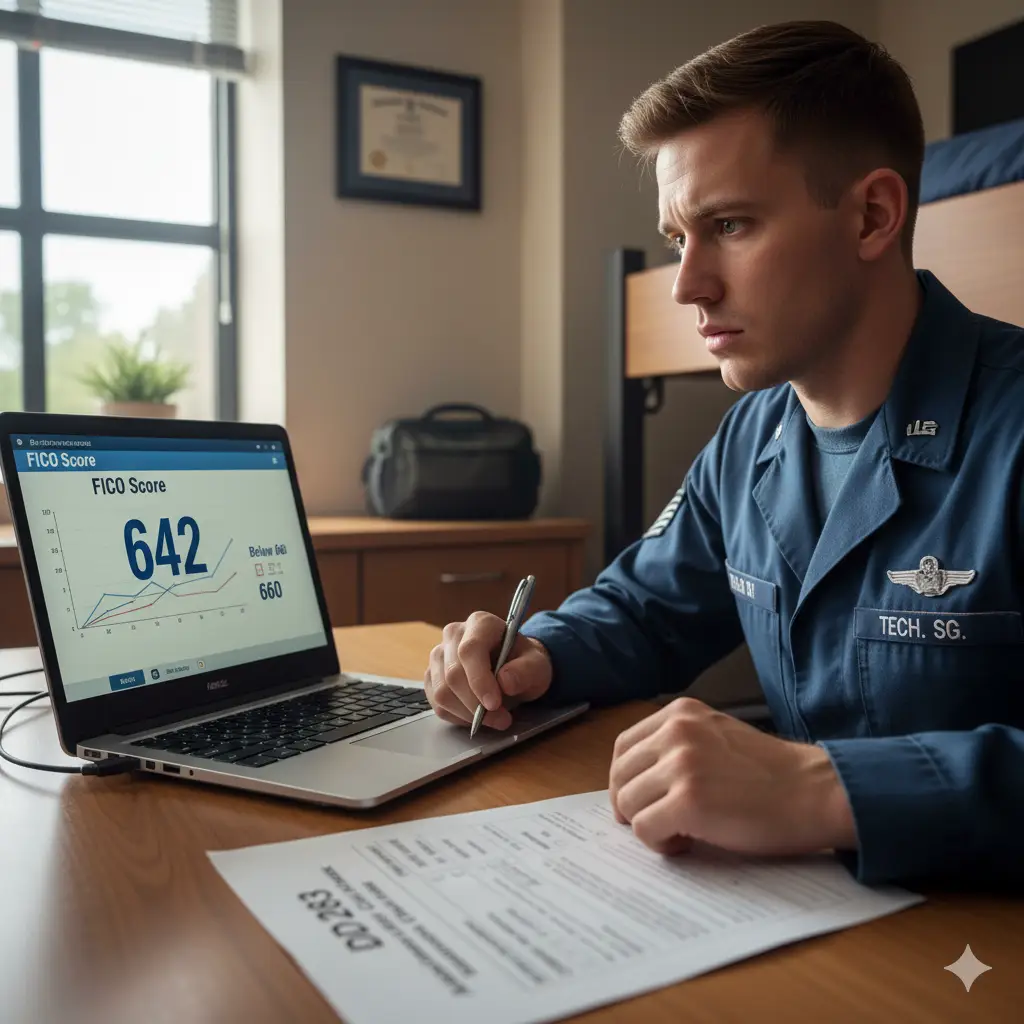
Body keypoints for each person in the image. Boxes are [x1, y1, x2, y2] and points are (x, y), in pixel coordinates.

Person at [423, 20, 1024, 888]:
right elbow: (643, 609)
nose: (686, 285)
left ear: (873, 215)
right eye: (677, 239)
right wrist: (532, 654)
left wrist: (826, 791)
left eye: (730, 225)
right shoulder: (752, 438)